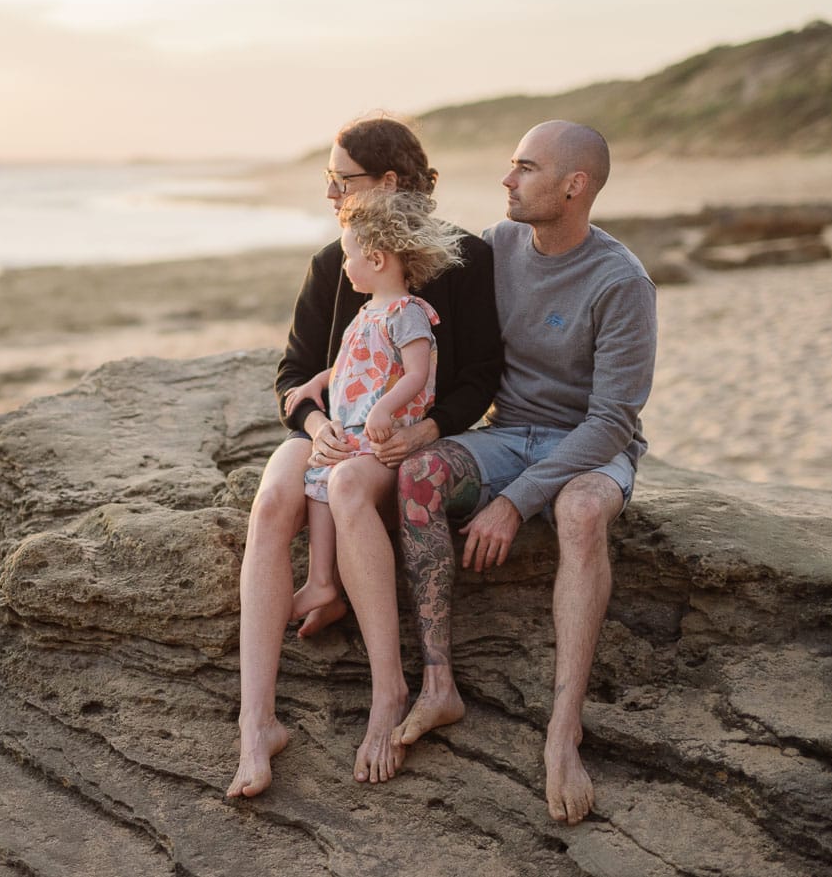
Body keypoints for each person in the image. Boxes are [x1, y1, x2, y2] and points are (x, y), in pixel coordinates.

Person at [226, 115, 502, 799]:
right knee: (274, 493)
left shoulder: (464, 259)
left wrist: (428, 429)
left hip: (400, 440)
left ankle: (389, 692)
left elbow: (480, 377)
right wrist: (314, 423)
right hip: (338, 430)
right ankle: (256, 724)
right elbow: (293, 373)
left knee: (348, 483)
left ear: (388, 182)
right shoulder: (334, 263)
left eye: (340, 179)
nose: (329, 192)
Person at [391, 120, 657, 825]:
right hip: (508, 432)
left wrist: (514, 500)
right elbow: (391, 285)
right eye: (510, 166)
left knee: (578, 512)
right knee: (416, 478)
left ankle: (563, 729)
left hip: (591, 448)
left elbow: (612, 422)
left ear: (574, 186)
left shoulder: (622, 281)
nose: (507, 180)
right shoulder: (497, 246)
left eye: (524, 168)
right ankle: (439, 682)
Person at [281, 189, 465, 621]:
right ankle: (321, 581)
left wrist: (384, 409)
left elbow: (417, 373)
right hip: (353, 425)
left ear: (377, 260)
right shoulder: (366, 312)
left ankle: (326, 583)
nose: (343, 265)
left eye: (348, 256)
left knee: (333, 479)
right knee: (318, 478)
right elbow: (349, 365)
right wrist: (315, 382)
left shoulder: (408, 312)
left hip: (383, 430)